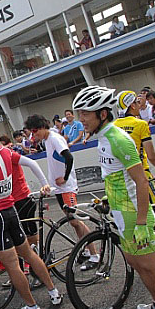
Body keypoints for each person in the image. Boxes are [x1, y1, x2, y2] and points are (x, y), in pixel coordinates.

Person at [73, 85, 155, 309]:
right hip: (122, 212)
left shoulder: (119, 139)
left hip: (135, 214)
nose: (81, 119)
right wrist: (108, 200)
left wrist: (143, 222)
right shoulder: (103, 139)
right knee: (135, 262)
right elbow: (116, 178)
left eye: (85, 113)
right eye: (79, 113)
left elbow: (141, 181)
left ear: (102, 114)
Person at [0, 113, 63, 309]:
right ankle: (54, 292)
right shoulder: (5, 151)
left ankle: (32, 307)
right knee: (29, 254)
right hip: (11, 210)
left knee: (12, 265)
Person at [25, 114, 99, 269]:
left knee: (75, 220)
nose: (34, 135)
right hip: (59, 188)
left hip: (66, 187)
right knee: (73, 222)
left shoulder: (54, 138)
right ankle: (85, 250)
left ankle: (94, 254)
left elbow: (69, 157)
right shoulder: (47, 140)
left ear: (41, 127)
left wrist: (65, 178)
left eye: (34, 131)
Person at [115, 90, 155, 204]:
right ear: (132, 105)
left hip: (122, 177)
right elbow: (151, 155)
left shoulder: (113, 126)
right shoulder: (140, 124)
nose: (139, 105)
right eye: (136, 102)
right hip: (141, 173)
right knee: (152, 212)